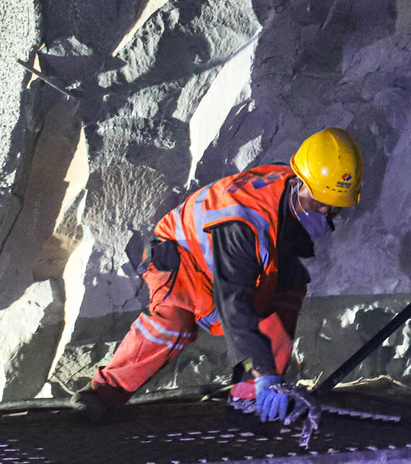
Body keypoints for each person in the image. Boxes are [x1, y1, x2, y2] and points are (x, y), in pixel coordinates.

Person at [71, 128, 364, 423]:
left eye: (334, 207)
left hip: (230, 255)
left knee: (289, 286)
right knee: (175, 322)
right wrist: (264, 371)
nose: (325, 212)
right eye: (318, 203)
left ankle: (249, 397)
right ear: (300, 182)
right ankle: (103, 394)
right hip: (183, 256)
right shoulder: (243, 222)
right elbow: (234, 306)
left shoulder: (291, 186)